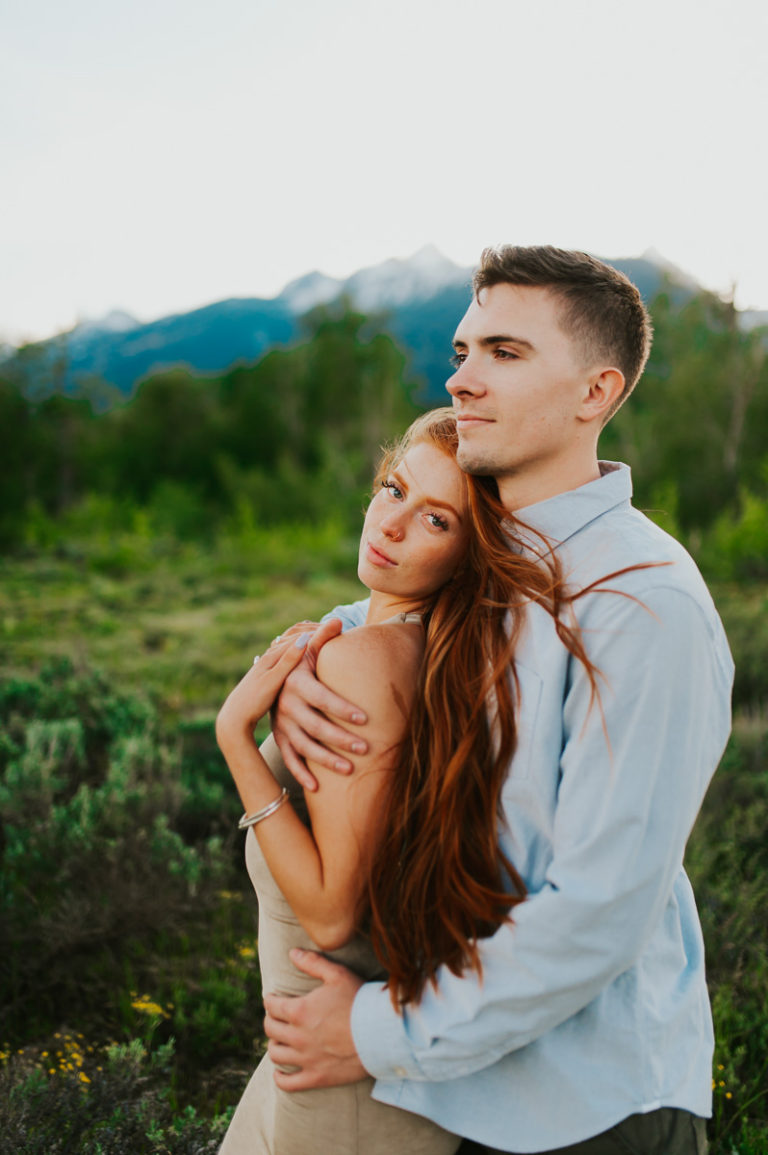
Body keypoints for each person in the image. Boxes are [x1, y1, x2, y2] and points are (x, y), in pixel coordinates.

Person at [263, 246, 734, 1155]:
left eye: (504, 354)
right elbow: (381, 616)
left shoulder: (645, 604)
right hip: (459, 1089)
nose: (461, 379)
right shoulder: (492, 556)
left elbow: (596, 912)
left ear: (595, 393)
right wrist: (297, 678)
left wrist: (372, 1032)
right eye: (463, 349)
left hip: (588, 1108)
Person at [216, 406, 599, 1154]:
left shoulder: (365, 664)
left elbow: (330, 914)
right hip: (313, 1064)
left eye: (435, 521)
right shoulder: (407, 650)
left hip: (346, 1093)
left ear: (468, 554)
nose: (390, 525)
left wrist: (233, 737)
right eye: (393, 489)